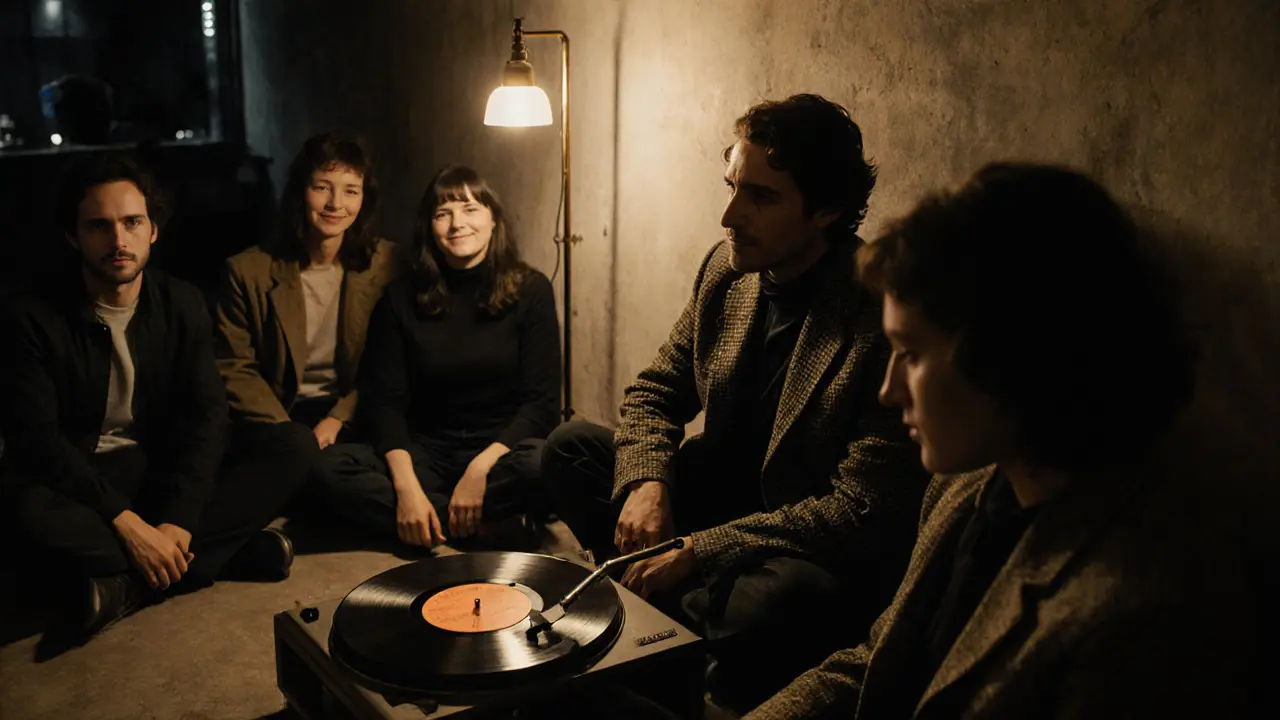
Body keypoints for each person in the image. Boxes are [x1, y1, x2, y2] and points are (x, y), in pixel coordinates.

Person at [747, 163, 1259, 719]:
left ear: (1011, 359)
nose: (890, 391)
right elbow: (880, 663)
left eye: (912, 355)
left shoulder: (1134, 621)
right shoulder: (964, 487)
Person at [542, 94, 928, 710]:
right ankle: (675, 621)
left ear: (826, 210)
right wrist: (648, 485)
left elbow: (861, 509)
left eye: (761, 197)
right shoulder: (728, 270)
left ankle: (657, 616)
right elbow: (654, 392)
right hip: (706, 500)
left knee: (783, 602)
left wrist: (701, 551)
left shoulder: (875, 312)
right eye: (732, 186)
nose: (729, 215)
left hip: (789, 544)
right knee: (569, 449)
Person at [0, 153, 293, 646]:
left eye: (132, 222)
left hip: (153, 472)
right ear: (73, 235)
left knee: (293, 447)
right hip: (78, 483)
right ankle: (223, 552)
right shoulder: (30, 316)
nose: (118, 241)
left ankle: (126, 587)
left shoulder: (181, 301)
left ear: (153, 229)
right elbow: (38, 445)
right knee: (19, 511)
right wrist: (131, 526)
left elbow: (206, 416)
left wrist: (176, 520)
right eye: (99, 226)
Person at [313, 165, 560, 549]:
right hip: (425, 452)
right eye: (443, 213)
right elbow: (384, 405)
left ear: (494, 220)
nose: (457, 224)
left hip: (500, 453)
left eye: (470, 209)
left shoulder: (531, 290)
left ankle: (424, 524)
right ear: (429, 226)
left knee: (546, 463)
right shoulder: (400, 298)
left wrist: (479, 469)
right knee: (330, 470)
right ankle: (473, 526)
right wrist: (407, 487)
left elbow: (541, 405)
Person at [214, 131, 399, 540]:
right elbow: (233, 365)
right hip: (279, 411)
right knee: (294, 463)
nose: (336, 205)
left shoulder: (385, 263)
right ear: (301, 191)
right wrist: (290, 437)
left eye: (351, 191)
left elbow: (389, 360)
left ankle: (267, 525)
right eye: (322, 188)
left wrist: (338, 417)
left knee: (362, 469)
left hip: (354, 408)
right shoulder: (248, 270)